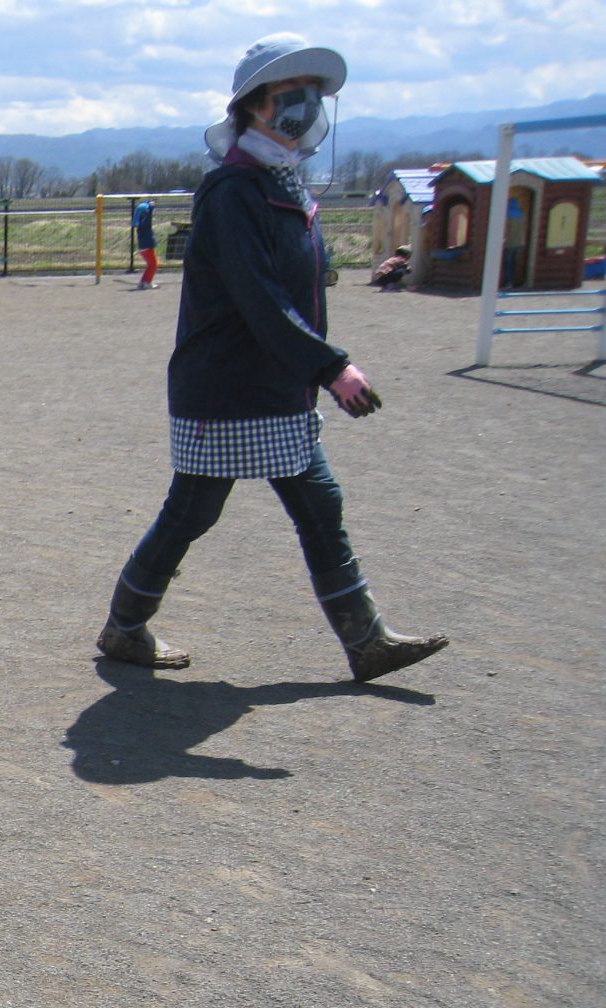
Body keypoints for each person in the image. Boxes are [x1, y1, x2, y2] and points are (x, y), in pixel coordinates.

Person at [94, 34, 447, 684]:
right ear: (255, 106)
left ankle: (366, 639)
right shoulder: (234, 192)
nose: (307, 106)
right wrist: (331, 366)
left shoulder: (280, 184)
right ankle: (124, 626)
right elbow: (259, 297)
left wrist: (311, 365)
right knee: (193, 511)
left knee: (319, 504)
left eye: (312, 94)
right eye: (292, 94)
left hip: (276, 387)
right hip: (227, 389)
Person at [133, 197, 160, 288]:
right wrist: (151, 208)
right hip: (147, 246)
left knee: (150, 264)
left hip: (143, 246)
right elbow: (148, 219)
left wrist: (149, 204)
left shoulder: (139, 224)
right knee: (154, 264)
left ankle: (143, 282)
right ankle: (147, 282)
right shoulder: (144, 222)